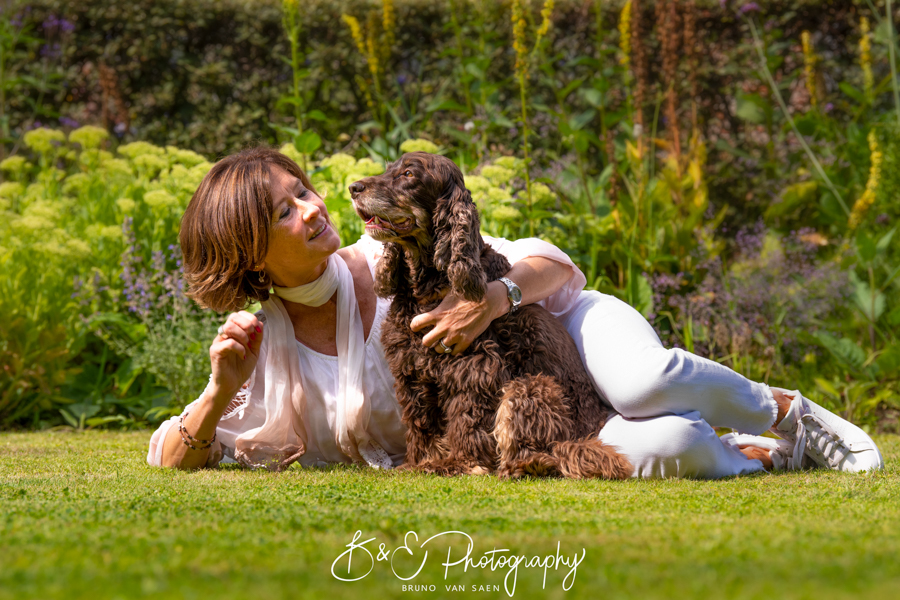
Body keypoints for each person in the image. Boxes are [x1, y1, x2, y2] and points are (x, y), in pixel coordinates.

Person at [148, 147, 885, 477]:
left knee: (644, 385)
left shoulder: (388, 261)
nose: (314, 208)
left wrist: (490, 299)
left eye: (304, 189)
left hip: (568, 329)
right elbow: (170, 454)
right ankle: (757, 454)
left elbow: (554, 266)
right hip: (536, 421)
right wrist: (218, 391)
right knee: (668, 448)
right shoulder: (265, 350)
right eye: (285, 209)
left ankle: (787, 411)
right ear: (247, 255)